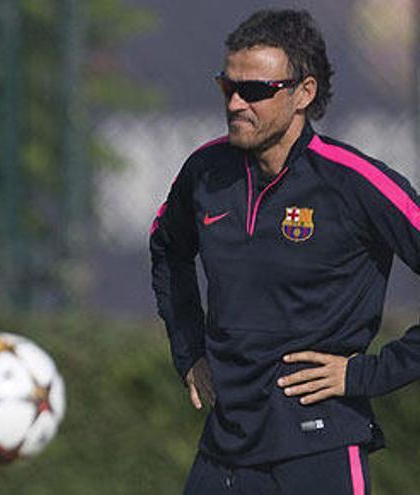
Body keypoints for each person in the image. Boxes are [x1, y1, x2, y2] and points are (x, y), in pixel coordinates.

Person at [150, 9, 420, 494]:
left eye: (255, 91)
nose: (236, 103)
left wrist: (367, 374)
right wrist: (189, 349)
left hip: (321, 449)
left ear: (304, 93)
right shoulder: (205, 171)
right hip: (224, 449)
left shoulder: (355, 182)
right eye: (227, 87)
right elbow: (168, 251)